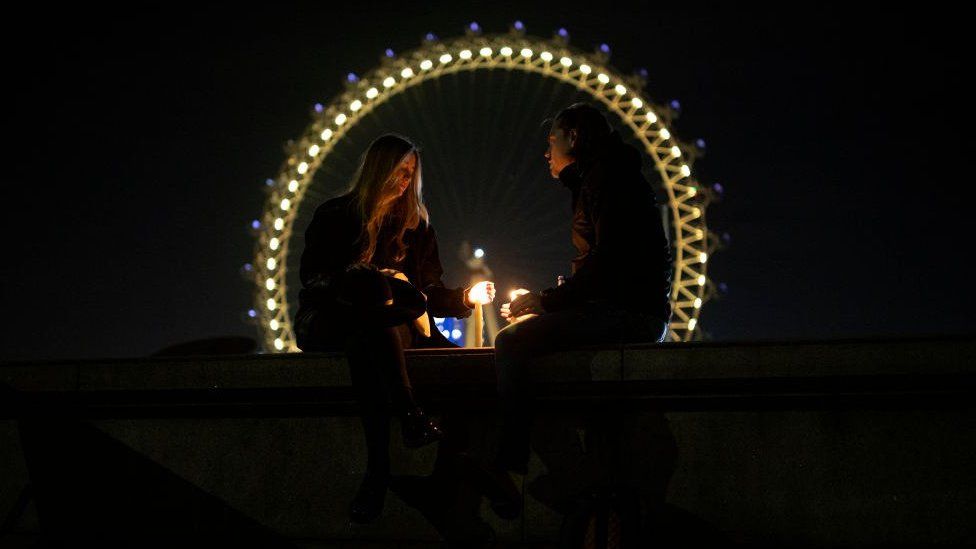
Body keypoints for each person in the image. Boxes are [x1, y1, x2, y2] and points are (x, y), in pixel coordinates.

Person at [293, 133, 495, 523]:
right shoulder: (335, 215)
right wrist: (359, 277)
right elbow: (312, 276)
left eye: (411, 175)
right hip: (334, 317)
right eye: (399, 171)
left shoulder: (416, 228)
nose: (404, 182)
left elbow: (430, 292)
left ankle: (381, 470)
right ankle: (413, 424)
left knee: (381, 334)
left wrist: (465, 298)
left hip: (391, 325)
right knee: (372, 317)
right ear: (378, 169)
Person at [485, 103, 672, 519]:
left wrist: (547, 301)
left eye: (551, 140)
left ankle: (511, 466)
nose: (546, 153)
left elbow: (609, 260)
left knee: (511, 341)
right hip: (629, 306)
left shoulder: (609, 180)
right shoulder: (599, 178)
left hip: (629, 313)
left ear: (573, 137)